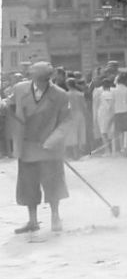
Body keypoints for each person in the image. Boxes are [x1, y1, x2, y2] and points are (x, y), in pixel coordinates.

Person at [2, 62, 74, 233]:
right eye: (37, 78)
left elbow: (67, 121)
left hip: (49, 149)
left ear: (49, 78)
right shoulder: (20, 89)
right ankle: (32, 221)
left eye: (44, 79)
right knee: (28, 185)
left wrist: (52, 140)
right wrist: (5, 106)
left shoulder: (60, 95)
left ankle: (55, 217)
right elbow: (10, 103)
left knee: (53, 184)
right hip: (27, 147)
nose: (41, 81)